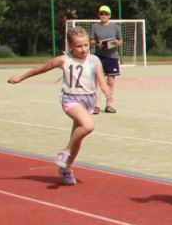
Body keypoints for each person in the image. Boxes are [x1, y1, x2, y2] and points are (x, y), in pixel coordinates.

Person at [7, 26, 112, 186]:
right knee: (88, 126)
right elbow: (41, 69)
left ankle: (66, 169)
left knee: (78, 137)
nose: (83, 49)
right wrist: (21, 77)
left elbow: (101, 80)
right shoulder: (64, 60)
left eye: (86, 45)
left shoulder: (94, 60)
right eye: (79, 46)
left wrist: (106, 91)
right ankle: (65, 151)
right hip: (71, 100)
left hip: (88, 101)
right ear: (71, 46)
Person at [88, 5, 122, 114]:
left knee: (110, 81)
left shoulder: (115, 27)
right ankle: (96, 106)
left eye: (106, 14)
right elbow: (91, 41)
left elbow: (120, 40)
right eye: (101, 14)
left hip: (112, 56)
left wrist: (115, 43)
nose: (103, 16)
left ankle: (109, 105)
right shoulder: (95, 26)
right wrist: (97, 43)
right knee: (98, 81)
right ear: (99, 15)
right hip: (99, 57)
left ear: (109, 16)